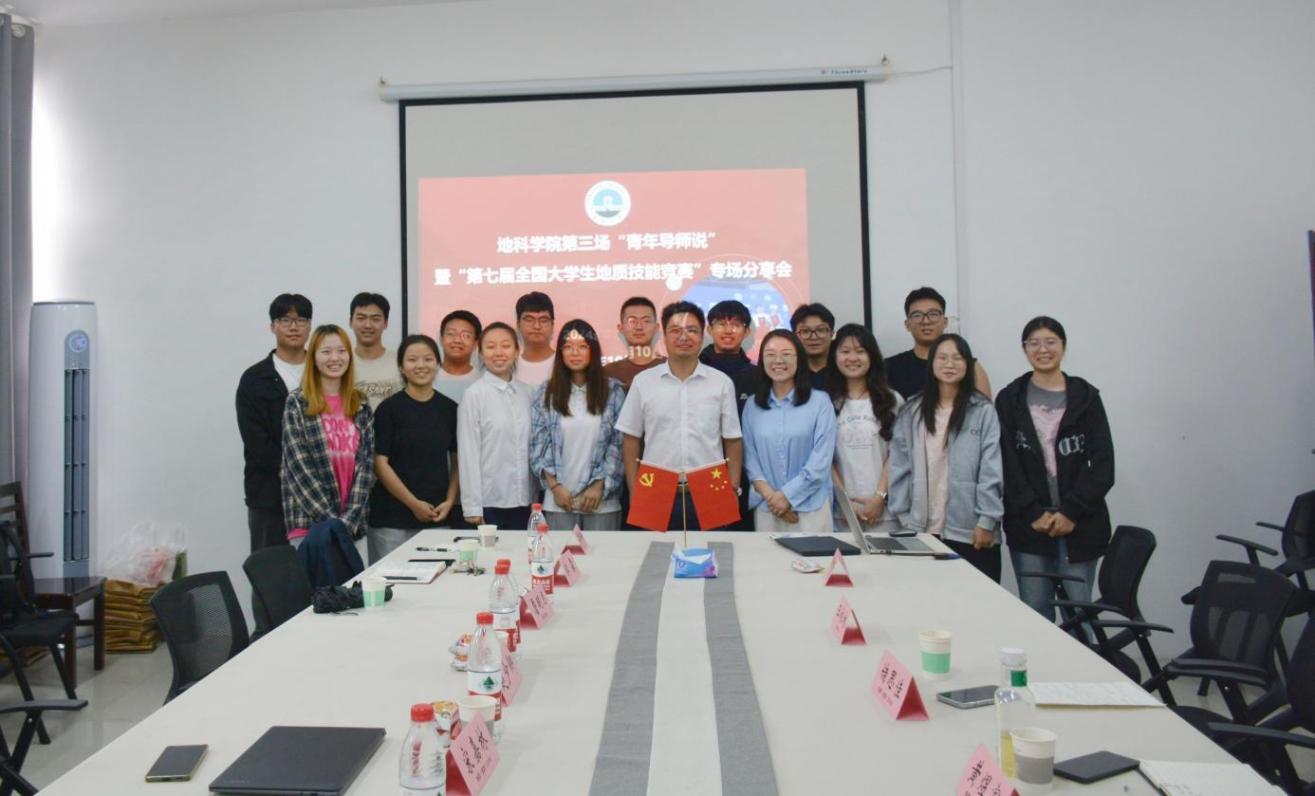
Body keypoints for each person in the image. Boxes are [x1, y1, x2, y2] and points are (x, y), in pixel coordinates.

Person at [996, 317, 1115, 620]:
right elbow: (1007, 464)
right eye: (1034, 343)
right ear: (1024, 349)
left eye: (1051, 342)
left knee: (1080, 615)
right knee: (1036, 612)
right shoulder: (1010, 399)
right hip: (1029, 525)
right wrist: (1032, 511)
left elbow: (1103, 465)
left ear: (1064, 346)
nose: (1043, 349)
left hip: (1080, 524)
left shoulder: (1086, 398)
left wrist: (1072, 511)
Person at [616, 301, 743, 530]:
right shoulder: (644, 382)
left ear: (702, 336)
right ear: (664, 336)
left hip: (711, 487)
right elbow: (631, 438)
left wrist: (733, 487)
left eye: (692, 330)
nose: (684, 337)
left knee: (712, 551)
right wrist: (634, 488)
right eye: (675, 330)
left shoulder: (721, 383)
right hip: (654, 487)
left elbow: (732, 440)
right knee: (654, 552)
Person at [888, 333, 1004, 581]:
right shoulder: (912, 410)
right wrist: (904, 517)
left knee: (975, 599)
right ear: (931, 364)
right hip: (921, 530)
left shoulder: (982, 411)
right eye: (942, 358)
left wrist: (987, 521)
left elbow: (991, 469)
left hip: (971, 531)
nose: (949, 364)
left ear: (968, 364)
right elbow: (899, 466)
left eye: (957, 358)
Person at [367, 335, 460, 563]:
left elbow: (457, 460)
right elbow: (379, 463)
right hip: (391, 521)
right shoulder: (388, 409)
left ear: (438, 364)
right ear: (401, 366)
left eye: (428, 359)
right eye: (412, 360)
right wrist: (413, 503)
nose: (420, 365)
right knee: (389, 581)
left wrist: (449, 501)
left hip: (437, 516)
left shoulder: (449, 409)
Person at [281, 324, 375, 547]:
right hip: (309, 525)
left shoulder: (360, 403)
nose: (335, 358)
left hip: (352, 526)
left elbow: (366, 466)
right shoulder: (297, 402)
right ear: (313, 358)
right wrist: (332, 524)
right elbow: (298, 467)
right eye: (326, 352)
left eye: (341, 351)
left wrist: (346, 523)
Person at [529, 320, 626, 531]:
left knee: (604, 554)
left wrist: (599, 485)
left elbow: (618, 446)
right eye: (568, 347)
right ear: (560, 352)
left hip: (601, 501)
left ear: (593, 351)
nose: (575, 353)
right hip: (559, 500)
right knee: (560, 554)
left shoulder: (613, 391)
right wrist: (555, 487)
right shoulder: (546, 393)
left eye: (582, 346)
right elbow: (539, 445)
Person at [741, 330, 837, 533]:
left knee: (818, 555)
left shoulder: (820, 402)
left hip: (811, 509)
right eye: (770, 354)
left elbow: (820, 461)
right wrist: (773, 498)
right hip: (768, 509)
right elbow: (750, 459)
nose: (778, 360)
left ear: (799, 359)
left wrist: (786, 497)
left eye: (786, 354)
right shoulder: (752, 405)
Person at [237, 293, 312, 551]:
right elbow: (255, 439)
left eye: (301, 320)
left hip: (319, 494)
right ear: (272, 326)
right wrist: (295, 471)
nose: (293, 327)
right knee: (270, 568)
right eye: (285, 320)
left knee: (319, 569)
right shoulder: (255, 378)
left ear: (310, 326)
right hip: (270, 495)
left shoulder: (324, 371)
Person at [826, 324, 903, 533]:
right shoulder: (826, 402)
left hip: (885, 511)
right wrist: (845, 502)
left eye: (860, 351)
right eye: (845, 351)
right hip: (842, 513)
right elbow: (825, 458)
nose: (852, 358)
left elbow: (898, 454)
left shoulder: (892, 400)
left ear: (872, 356)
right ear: (834, 357)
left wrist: (879, 497)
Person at [458, 322, 535, 529]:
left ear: (516, 351)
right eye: (491, 347)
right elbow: (468, 453)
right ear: (481, 354)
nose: (499, 353)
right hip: (490, 502)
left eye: (506, 346)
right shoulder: (474, 395)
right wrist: (472, 507)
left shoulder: (528, 393)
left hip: (527, 499)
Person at [886, 287, 992, 400]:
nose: (926, 321)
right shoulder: (889, 368)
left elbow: (985, 409)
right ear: (907, 324)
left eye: (933, 314)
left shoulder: (970, 366)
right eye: (917, 315)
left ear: (945, 322)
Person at [349, 292, 403, 409]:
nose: (368, 325)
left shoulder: (400, 362)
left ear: (386, 323)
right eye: (361, 318)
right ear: (351, 322)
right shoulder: (341, 363)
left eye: (375, 319)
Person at [603, 296, 666, 390]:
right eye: (632, 321)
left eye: (646, 321)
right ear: (621, 328)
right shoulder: (608, 372)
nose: (639, 327)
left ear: (656, 328)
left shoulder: (670, 368)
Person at [700, 299, 755, 382]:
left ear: (746, 332)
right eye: (722, 324)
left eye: (735, 325)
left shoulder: (756, 375)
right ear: (710, 330)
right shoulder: (694, 369)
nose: (728, 331)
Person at [435, 310, 482, 404]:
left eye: (466, 335)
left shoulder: (482, 381)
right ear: (441, 339)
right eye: (451, 334)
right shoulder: (427, 378)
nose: (457, 340)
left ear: (475, 344)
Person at [514, 291, 556, 386]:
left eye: (543, 320)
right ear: (518, 324)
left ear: (552, 325)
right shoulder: (509, 367)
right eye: (529, 320)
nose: (537, 326)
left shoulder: (564, 363)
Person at [790, 303, 835, 389]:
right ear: (794, 336)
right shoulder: (788, 374)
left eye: (821, 330)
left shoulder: (844, 371)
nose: (813, 337)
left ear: (832, 334)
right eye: (805, 331)